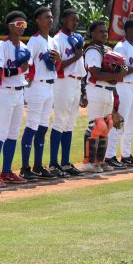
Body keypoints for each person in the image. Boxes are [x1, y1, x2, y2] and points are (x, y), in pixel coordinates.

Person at [0, 11, 31, 186]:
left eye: (24, 25)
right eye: (18, 24)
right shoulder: (1, 46)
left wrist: (19, 70)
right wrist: (19, 69)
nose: (21, 28)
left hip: (19, 92)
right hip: (4, 92)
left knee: (13, 134)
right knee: (1, 133)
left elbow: (25, 70)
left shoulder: (25, 47)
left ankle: (6, 172)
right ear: (10, 26)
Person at [20, 6, 60, 181]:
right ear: (37, 20)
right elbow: (26, 64)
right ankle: (25, 167)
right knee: (32, 125)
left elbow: (57, 66)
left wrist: (58, 60)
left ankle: (38, 165)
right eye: (46, 17)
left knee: (43, 127)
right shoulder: (34, 41)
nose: (50, 20)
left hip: (50, 86)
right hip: (36, 86)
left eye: (51, 17)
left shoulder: (53, 41)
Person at [82, 20, 127, 172]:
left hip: (108, 90)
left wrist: (116, 87)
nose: (104, 33)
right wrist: (117, 75)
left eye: (105, 31)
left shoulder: (107, 49)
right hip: (96, 89)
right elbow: (95, 72)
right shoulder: (92, 50)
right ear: (92, 33)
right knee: (96, 125)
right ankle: (88, 162)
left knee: (107, 126)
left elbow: (119, 69)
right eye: (100, 31)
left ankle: (100, 162)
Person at [50, 9, 85, 177]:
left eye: (77, 21)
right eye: (72, 19)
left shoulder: (77, 38)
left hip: (77, 82)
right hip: (63, 82)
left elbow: (80, 67)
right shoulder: (57, 40)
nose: (75, 23)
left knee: (70, 124)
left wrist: (83, 90)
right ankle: (53, 163)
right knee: (60, 122)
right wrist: (76, 56)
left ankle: (65, 162)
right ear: (64, 19)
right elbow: (57, 67)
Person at [105, 19, 133, 167]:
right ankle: (110, 156)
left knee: (132, 124)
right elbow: (117, 71)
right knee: (119, 123)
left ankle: (126, 155)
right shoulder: (121, 47)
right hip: (124, 87)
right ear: (127, 31)